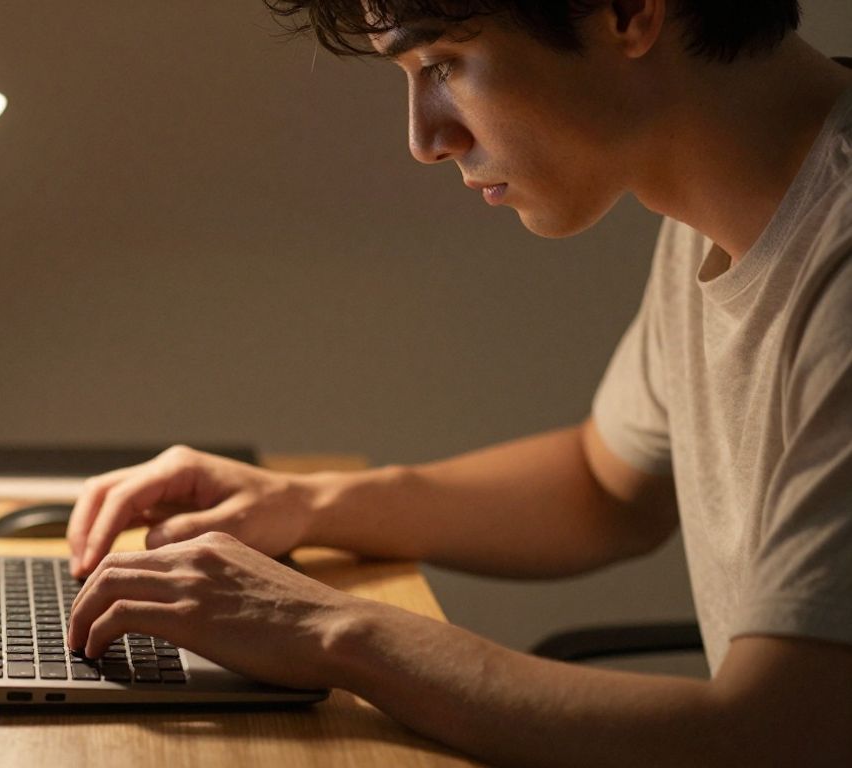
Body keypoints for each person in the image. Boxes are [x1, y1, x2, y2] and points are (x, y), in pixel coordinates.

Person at [63, 0, 852, 764]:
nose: (425, 140)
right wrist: (306, 503)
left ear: (626, 11)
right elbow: (605, 489)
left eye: (443, 64)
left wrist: (330, 630)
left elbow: (773, 736)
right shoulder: (722, 207)